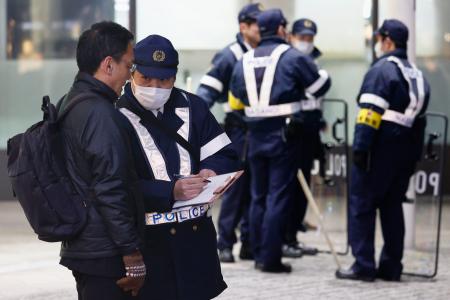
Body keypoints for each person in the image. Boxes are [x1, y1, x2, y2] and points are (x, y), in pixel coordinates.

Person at [116, 34, 238, 299]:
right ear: (132, 74)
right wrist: (170, 191)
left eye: (164, 80)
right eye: (146, 79)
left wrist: (211, 171)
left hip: (194, 240)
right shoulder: (115, 114)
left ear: (174, 77)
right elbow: (116, 185)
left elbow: (224, 153)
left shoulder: (193, 106)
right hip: (147, 242)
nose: (155, 86)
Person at [229, 9, 331, 273]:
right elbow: (319, 87)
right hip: (284, 136)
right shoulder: (292, 57)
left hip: (254, 135)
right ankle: (270, 258)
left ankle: (255, 249)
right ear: (282, 29)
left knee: (257, 196)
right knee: (278, 196)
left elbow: (236, 92)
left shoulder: (244, 60)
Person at [336, 19, 430, 282]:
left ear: (387, 41)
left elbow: (369, 112)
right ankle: (391, 267)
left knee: (362, 205)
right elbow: (420, 122)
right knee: (392, 208)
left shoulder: (381, 70)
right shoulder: (417, 74)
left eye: (379, 40)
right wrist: (414, 157)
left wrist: (361, 149)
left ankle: (363, 265)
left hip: (379, 147)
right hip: (405, 151)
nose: (377, 44)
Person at [57, 21, 146, 299]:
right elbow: (110, 189)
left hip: (83, 243)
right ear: (108, 65)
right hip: (106, 250)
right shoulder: (101, 115)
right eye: (129, 66)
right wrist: (131, 255)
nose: (130, 75)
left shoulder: (69, 101)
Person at [196, 2, 263, 263]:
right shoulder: (230, 55)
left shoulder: (263, 53)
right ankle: (224, 243)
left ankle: (249, 242)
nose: (261, 28)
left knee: (255, 191)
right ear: (243, 27)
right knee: (234, 189)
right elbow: (205, 94)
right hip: (238, 131)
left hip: (259, 132)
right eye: (256, 23)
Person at [283, 18, 333, 257]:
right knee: (289, 186)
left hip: (311, 130)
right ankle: (283, 237)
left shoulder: (313, 62)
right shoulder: (288, 61)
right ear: (291, 36)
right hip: (292, 131)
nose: (305, 42)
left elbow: (317, 97)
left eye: (309, 38)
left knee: (303, 189)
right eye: (301, 37)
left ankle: (292, 236)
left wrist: (320, 120)